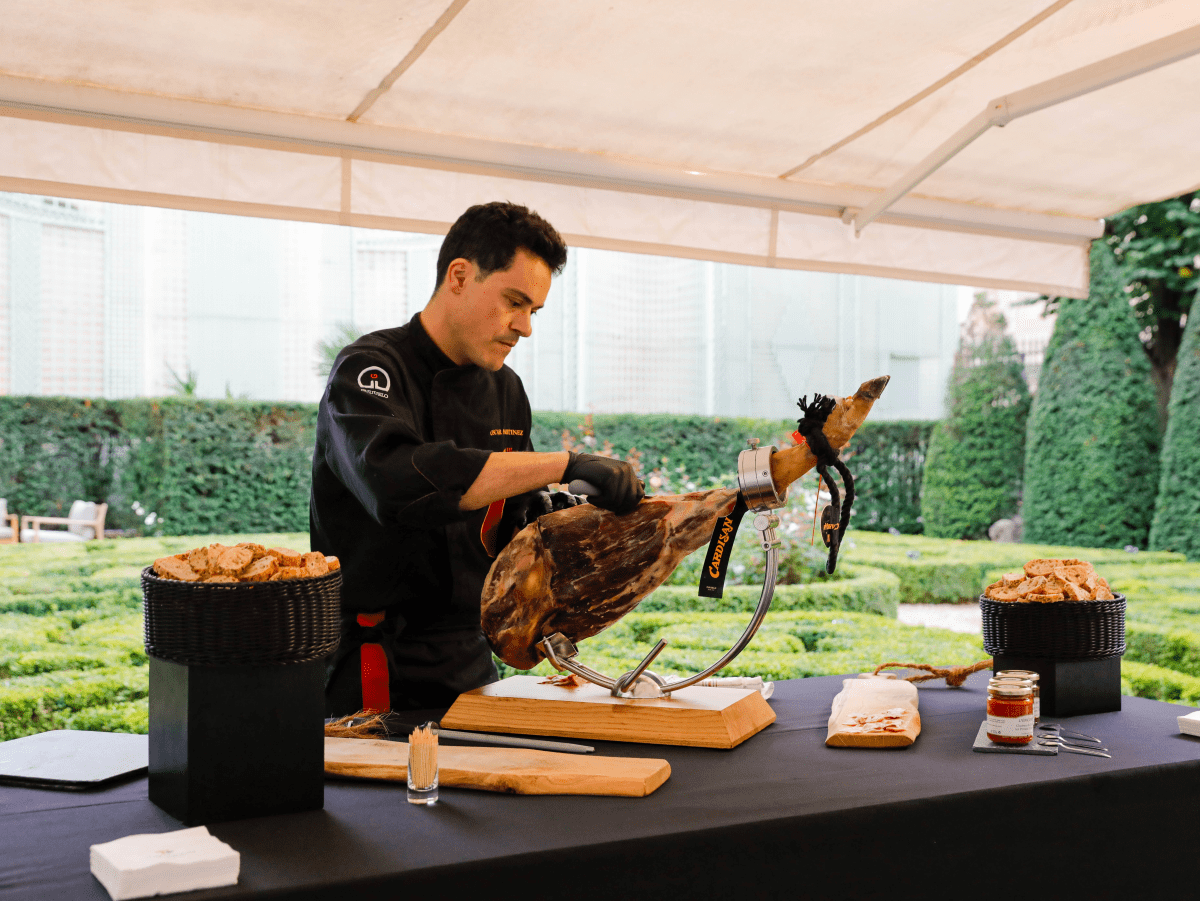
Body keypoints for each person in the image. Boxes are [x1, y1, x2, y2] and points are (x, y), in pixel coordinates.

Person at [311, 201, 643, 715]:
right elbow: (397, 481)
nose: (525, 327)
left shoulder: (507, 391)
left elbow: (519, 521)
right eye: (514, 302)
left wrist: (578, 506)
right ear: (459, 276)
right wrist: (564, 463)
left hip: (470, 658)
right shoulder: (370, 369)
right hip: (376, 661)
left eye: (534, 311)